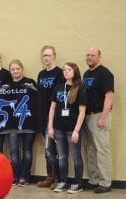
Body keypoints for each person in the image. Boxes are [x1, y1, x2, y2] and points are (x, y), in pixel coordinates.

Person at [48, 62, 86, 193]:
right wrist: (50, 127)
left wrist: (76, 131)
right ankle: (63, 181)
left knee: (76, 157)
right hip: (58, 128)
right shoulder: (59, 87)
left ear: (75, 71)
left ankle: (78, 184)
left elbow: (82, 112)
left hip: (72, 128)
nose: (66, 72)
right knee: (62, 157)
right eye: (64, 70)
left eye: (69, 70)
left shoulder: (80, 88)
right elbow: (52, 108)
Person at [82, 47, 114, 193]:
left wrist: (103, 117)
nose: (89, 57)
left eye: (92, 55)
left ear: (99, 57)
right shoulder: (86, 73)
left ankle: (105, 182)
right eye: (87, 55)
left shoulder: (104, 73)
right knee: (90, 149)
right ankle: (94, 179)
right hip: (87, 116)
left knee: (102, 149)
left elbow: (109, 96)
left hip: (99, 115)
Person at [36, 45, 64, 190]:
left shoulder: (59, 73)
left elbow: (60, 95)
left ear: (54, 56)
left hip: (54, 116)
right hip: (43, 115)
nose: (46, 58)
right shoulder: (41, 74)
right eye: (44, 55)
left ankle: (57, 179)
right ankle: (49, 177)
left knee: (55, 150)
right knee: (47, 150)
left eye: (48, 55)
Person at [7, 59, 37, 186]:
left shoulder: (30, 82)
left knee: (27, 150)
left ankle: (25, 176)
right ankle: (16, 175)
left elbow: (37, 98)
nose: (15, 71)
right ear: (10, 71)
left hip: (29, 122)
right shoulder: (7, 85)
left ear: (22, 69)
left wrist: (33, 89)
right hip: (13, 123)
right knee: (14, 151)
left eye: (17, 69)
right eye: (13, 69)